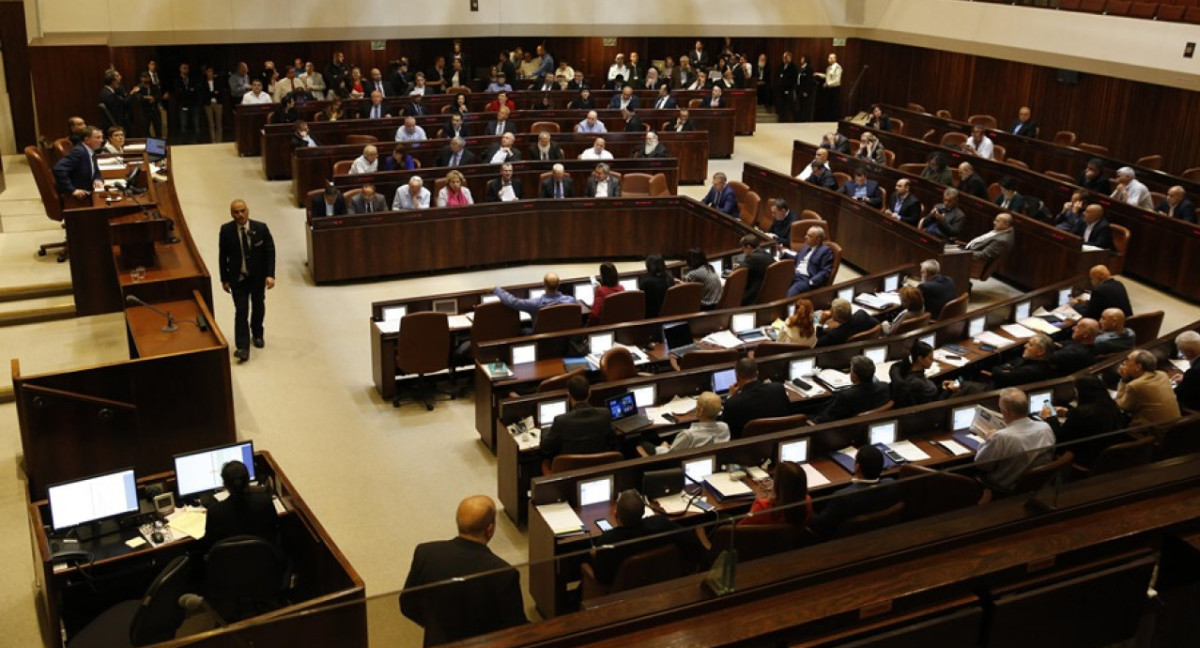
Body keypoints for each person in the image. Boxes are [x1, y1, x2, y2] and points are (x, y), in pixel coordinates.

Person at [400, 495, 527, 646]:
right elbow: (516, 629)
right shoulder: (503, 573)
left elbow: (407, 604)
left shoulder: (425, 553)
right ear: (490, 529)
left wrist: (435, 627)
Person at [587, 490, 702, 587]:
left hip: (621, 595)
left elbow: (602, 580)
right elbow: (693, 546)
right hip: (660, 586)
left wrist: (595, 555)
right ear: (643, 512)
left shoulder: (608, 541)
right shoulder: (661, 525)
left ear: (615, 514)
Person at [218, 200, 276, 363]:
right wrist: (224, 279)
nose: (240, 214)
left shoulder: (260, 228)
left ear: (248, 211)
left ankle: (257, 333)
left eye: (243, 211)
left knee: (258, 306)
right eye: (236, 212)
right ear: (232, 213)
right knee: (241, 311)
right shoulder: (226, 230)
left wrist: (270, 275)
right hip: (239, 277)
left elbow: (270, 252)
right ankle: (242, 347)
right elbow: (223, 256)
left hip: (257, 278)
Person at [974, 388, 1056, 492]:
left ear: (1006, 412)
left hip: (1006, 488)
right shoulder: (1046, 428)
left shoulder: (1002, 437)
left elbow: (981, 465)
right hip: (1037, 485)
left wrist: (989, 440)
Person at [810, 445, 899, 538]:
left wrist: (807, 508)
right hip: (879, 535)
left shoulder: (842, 497)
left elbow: (820, 524)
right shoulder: (892, 485)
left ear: (857, 467)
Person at [1039, 375, 1123, 466]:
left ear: (1083, 393)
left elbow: (1060, 437)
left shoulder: (1080, 413)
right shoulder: (1111, 405)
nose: (1076, 395)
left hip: (1084, 459)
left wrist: (1050, 418)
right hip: (1105, 456)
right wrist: (1067, 413)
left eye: (1076, 391)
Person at [202, 460, 278, 548]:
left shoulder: (215, 511)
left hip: (229, 559)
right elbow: (275, 527)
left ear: (224, 484)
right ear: (248, 479)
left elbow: (209, 542)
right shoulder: (265, 501)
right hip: (263, 557)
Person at [540, 375, 614, 463]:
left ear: (569, 395)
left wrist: (544, 431)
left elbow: (545, 448)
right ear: (589, 393)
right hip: (598, 465)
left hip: (569, 469)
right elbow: (612, 441)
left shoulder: (561, 421)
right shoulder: (605, 414)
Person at [720, 358, 792, 438]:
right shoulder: (778, 388)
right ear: (757, 373)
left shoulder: (732, 403)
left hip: (749, 447)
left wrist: (730, 397)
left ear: (737, 377)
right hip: (780, 438)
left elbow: (725, 429)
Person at [812, 355, 890, 423]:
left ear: (855, 375)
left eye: (851, 370)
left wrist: (812, 422)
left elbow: (828, 418)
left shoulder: (845, 396)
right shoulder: (885, 386)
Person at [651, 392, 730, 454]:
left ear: (701, 411)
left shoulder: (688, 435)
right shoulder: (724, 428)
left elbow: (670, 455)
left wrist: (663, 447)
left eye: (697, 404)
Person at [1117, 349, 1181, 426]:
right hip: (1177, 426)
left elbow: (1122, 406)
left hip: (1155, 432)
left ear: (1138, 367)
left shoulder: (1135, 386)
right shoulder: (1162, 374)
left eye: (1127, 360)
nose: (1124, 363)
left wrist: (1124, 379)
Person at [740, 460, 811, 527]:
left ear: (777, 484)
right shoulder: (807, 502)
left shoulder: (763, 507)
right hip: (791, 539)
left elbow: (738, 530)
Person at [493, 273, 575, 325]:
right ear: (559, 284)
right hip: (564, 337)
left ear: (544, 284)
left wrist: (496, 289)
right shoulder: (570, 301)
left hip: (541, 339)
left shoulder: (535, 304)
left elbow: (512, 301)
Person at [889, 341, 950, 407]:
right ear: (920, 359)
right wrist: (948, 391)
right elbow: (934, 405)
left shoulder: (910, 372)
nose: (933, 360)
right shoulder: (916, 383)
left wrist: (942, 388)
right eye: (930, 358)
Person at [52, 125, 103, 198]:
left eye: (101, 137)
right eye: (98, 138)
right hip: (81, 196)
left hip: (90, 189)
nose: (101, 140)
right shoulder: (79, 151)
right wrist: (72, 190)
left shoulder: (91, 150)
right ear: (87, 139)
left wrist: (97, 179)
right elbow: (59, 169)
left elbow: (96, 170)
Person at [990, 334, 1057, 388]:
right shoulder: (1044, 363)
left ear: (1040, 351)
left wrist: (995, 369)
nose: (1025, 346)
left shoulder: (1029, 371)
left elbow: (1000, 376)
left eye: (1030, 345)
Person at [787, 226, 834, 296]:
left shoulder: (825, 251)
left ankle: (786, 306)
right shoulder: (806, 247)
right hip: (794, 274)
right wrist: (783, 252)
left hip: (806, 279)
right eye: (806, 234)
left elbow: (825, 271)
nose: (805, 237)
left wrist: (811, 282)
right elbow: (797, 257)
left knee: (792, 292)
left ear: (818, 240)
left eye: (809, 236)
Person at [738, 235, 774, 305]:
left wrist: (737, 263)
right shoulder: (766, 253)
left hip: (756, 294)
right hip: (769, 291)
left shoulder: (752, 258)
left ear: (748, 247)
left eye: (743, 249)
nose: (743, 252)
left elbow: (740, 270)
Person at [172, 63, 200, 143]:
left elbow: (195, 90)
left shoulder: (192, 79)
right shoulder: (177, 80)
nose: (186, 69)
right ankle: (184, 141)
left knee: (196, 123)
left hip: (193, 104)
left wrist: (186, 91)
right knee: (183, 124)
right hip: (183, 104)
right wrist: (188, 91)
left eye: (187, 68)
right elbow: (178, 93)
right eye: (184, 68)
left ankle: (197, 140)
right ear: (180, 69)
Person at [1172, 330, 1200, 411]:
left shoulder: (1194, 372)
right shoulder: (1193, 374)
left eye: (1182, 352)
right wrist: (1186, 379)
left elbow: (1178, 395)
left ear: (1188, 353)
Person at [774, 51, 798, 122]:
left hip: (789, 89)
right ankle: (782, 118)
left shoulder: (793, 67)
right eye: (783, 57)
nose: (784, 59)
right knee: (782, 105)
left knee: (790, 106)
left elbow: (794, 79)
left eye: (786, 57)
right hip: (781, 90)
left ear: (790, 57)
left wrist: (789, 88)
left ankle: (791, 119)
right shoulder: (781, 66)